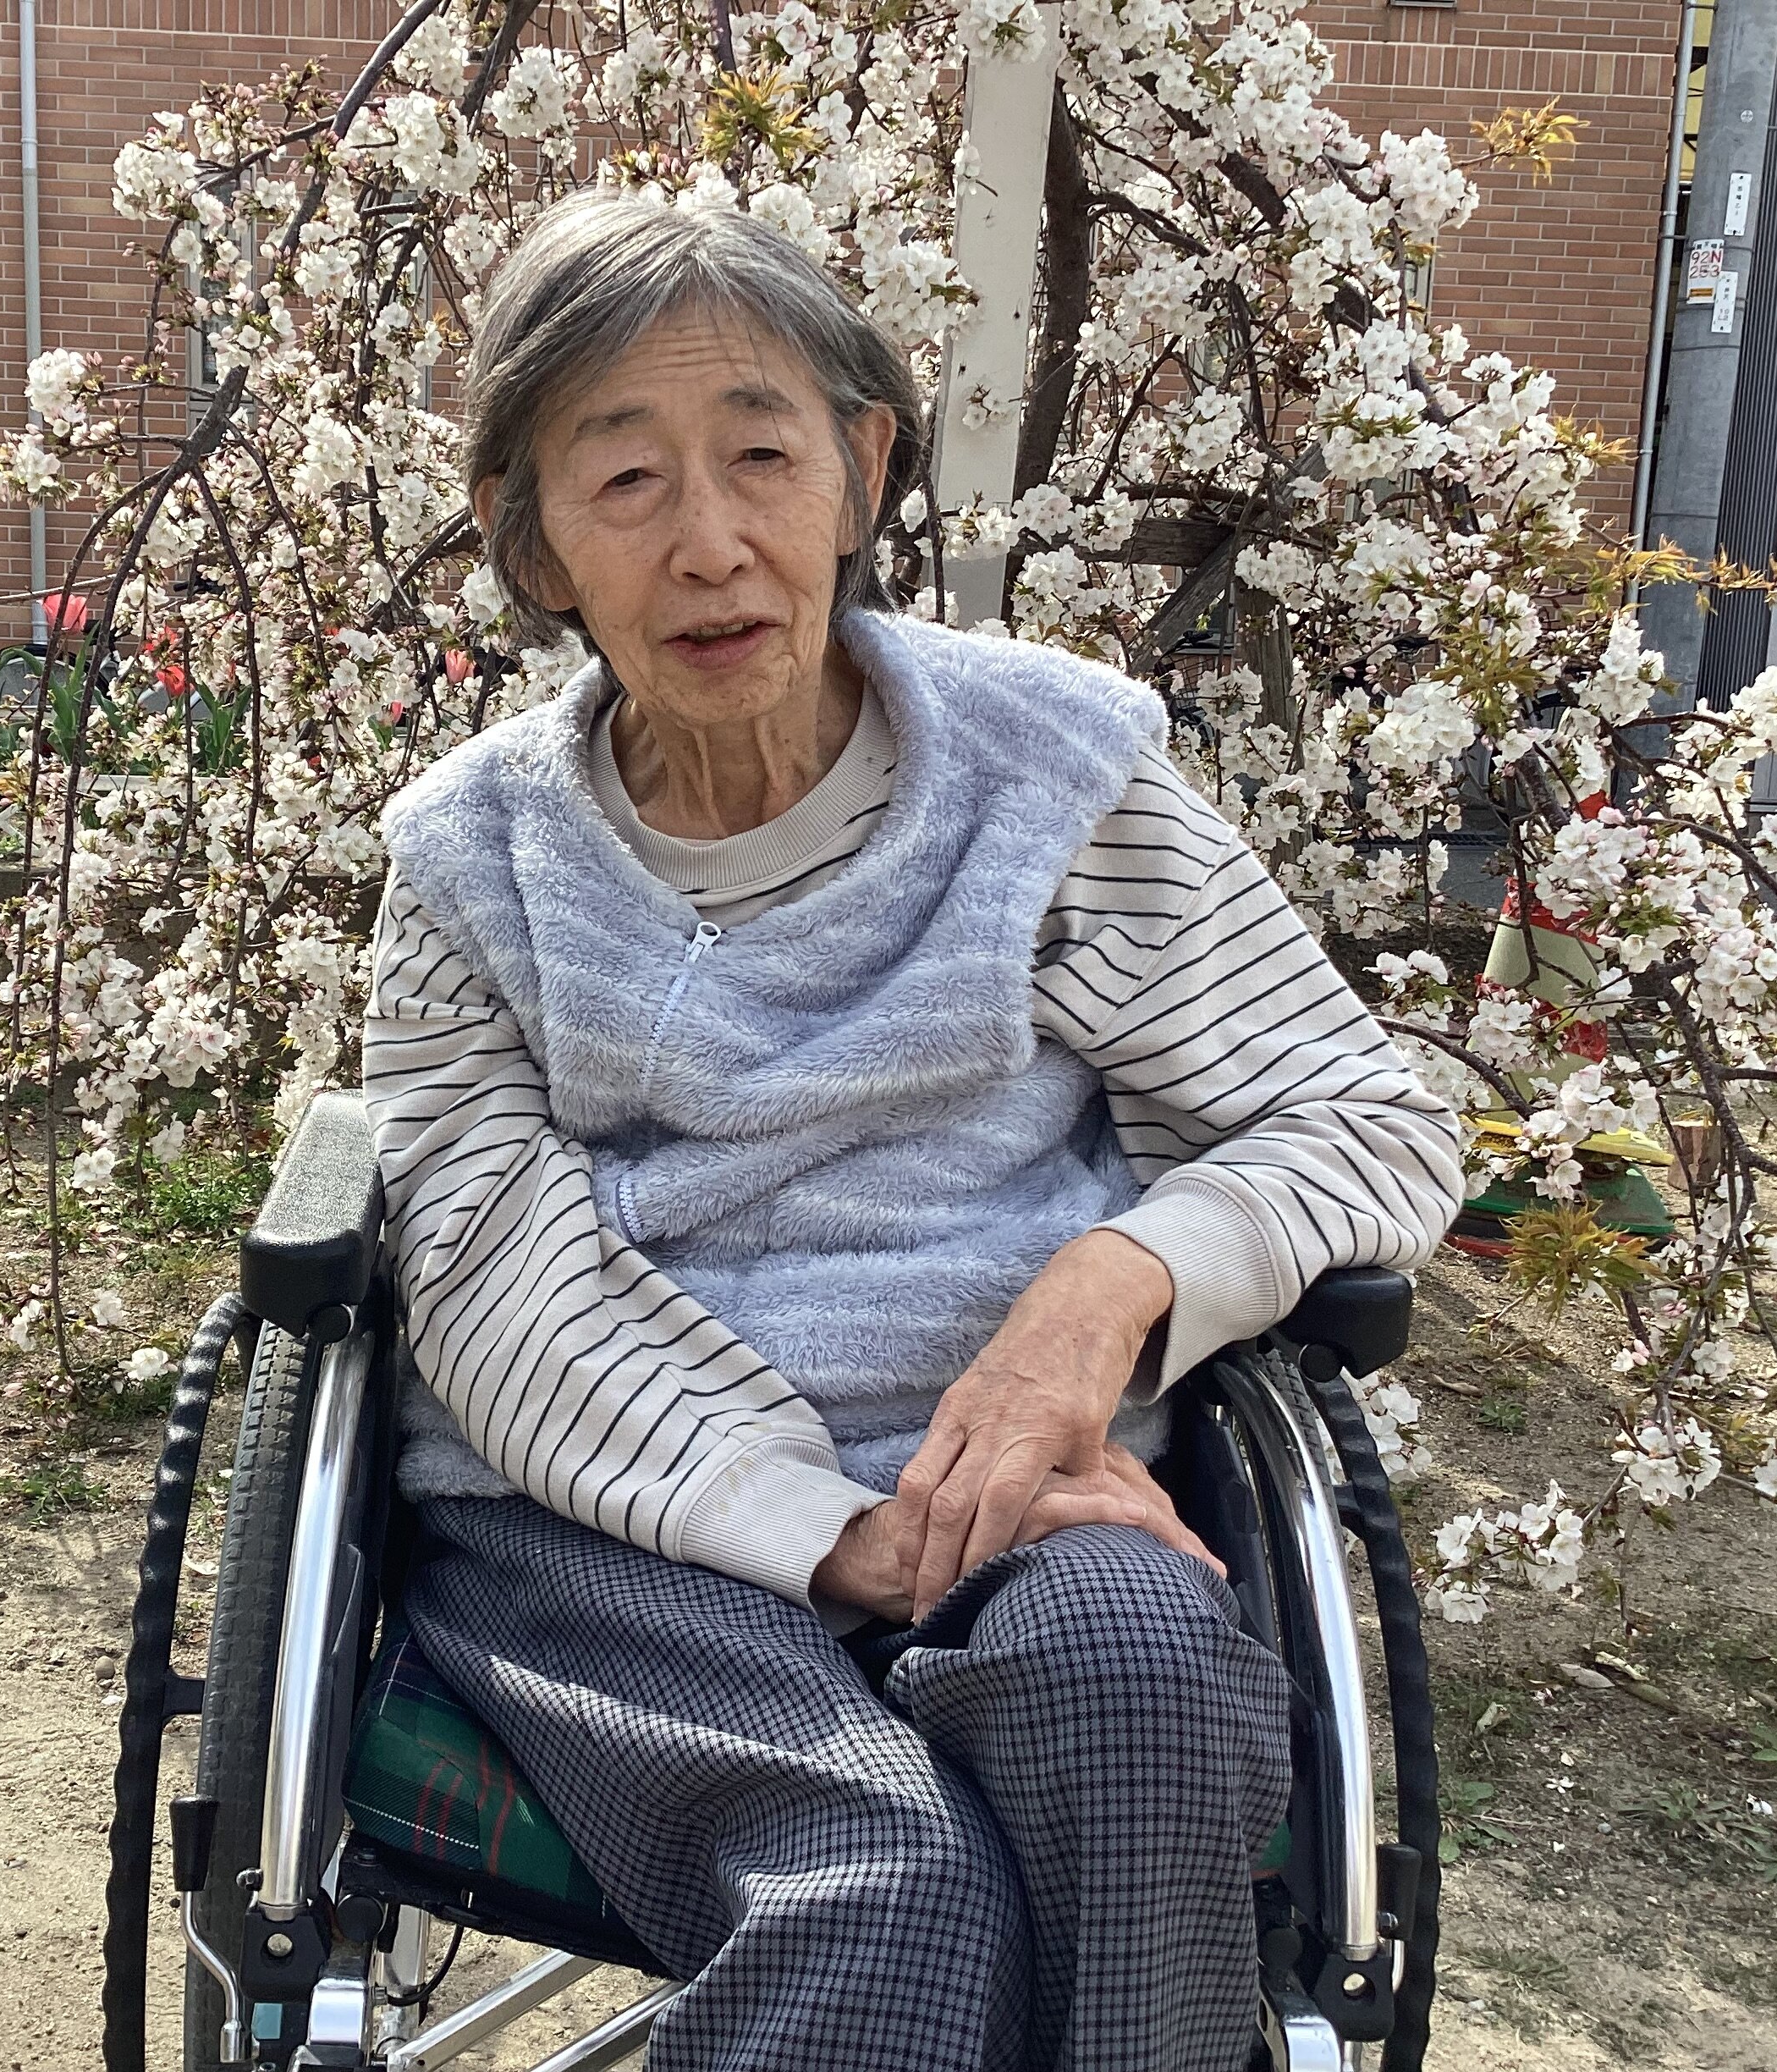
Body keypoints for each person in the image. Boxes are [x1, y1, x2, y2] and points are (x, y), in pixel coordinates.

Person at [361, 192, 1463, 2072]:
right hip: (614, 1529)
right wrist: (833, 1533)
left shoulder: (1055, 775)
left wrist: (1109, 1288)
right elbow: (487, 1281)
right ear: (532, 542)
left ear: (864, 469)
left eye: (762, 457)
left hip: (1035, 1492)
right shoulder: (475, 861)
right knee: (883, 1891)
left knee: (1141, 1695)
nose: (711, 544)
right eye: (624, 481)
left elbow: (1364, 1121)